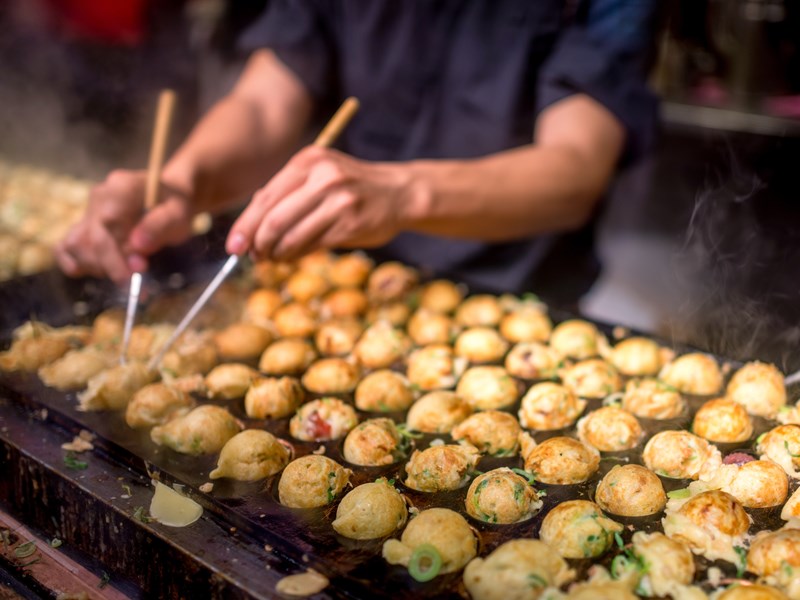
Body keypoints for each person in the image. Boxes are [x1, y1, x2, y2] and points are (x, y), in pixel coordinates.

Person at [55, 0, 659, 304]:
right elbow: (266, 101)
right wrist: (183, 182)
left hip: (515, 289)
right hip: (347, 285)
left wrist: (400, 194)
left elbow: (577, 167)